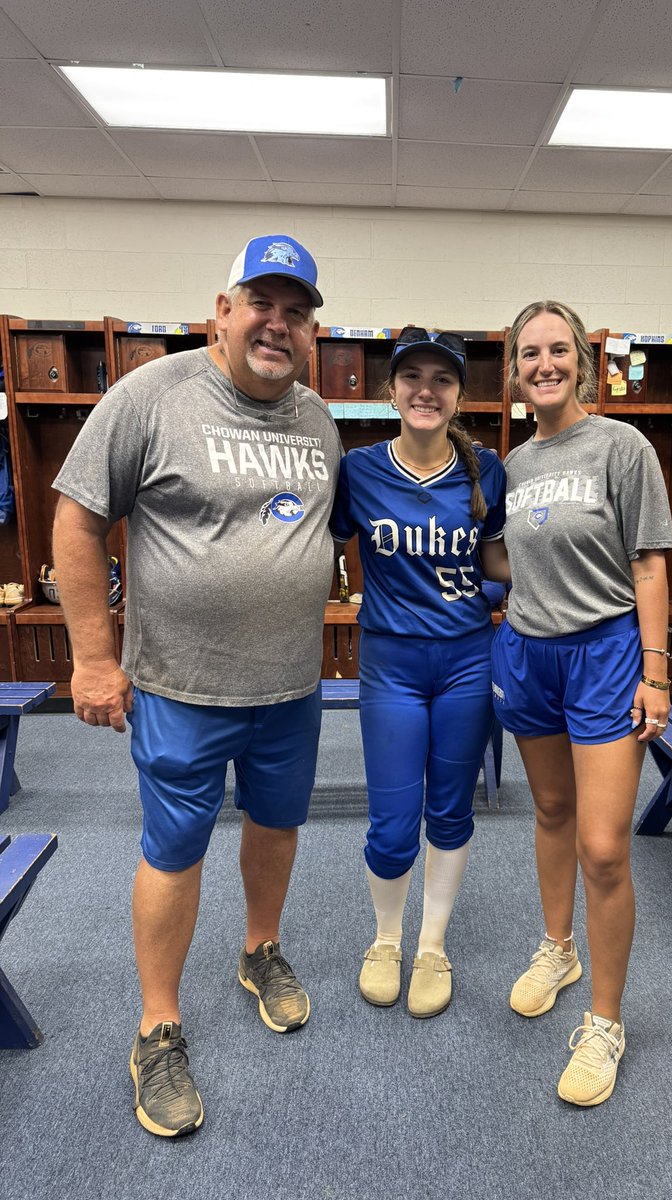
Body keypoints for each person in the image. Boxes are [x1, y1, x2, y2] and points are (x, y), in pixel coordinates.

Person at [51, 235, 342, 1138]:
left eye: (297, 313)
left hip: (290, 688)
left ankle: (262, 951)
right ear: (222, 309)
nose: (278, 325)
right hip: (181, 687)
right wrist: (95, 659)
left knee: (277, 827)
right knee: (173, 849)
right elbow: (76, 519)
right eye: (262, 303)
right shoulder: (153, 395)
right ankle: (158, 1026)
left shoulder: (318, 420)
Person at [491, 301, 672, 1107]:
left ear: (583, 362)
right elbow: (505, 558)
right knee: (553, 811)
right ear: (515, 371)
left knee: (604, 847)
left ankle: (605, 1021)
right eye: (529, 353)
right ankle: (556, 948)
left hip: (605, 655)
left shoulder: (621, 447)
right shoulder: (515, 463)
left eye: (558, 350)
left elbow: (649, 565)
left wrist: (657, 672)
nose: (544, 364)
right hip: (528, 653)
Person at [330, 327, 506, 1018]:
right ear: (392, 389)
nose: (425, 391)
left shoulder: (486, 469)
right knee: (394, 821)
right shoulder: (361, 469)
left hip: (466, 660)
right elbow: (320, 541)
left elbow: (498, 563)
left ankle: (432, 943)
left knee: (450, 810)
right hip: (392, 664)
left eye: (442, 379)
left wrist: (513, 589)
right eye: (412, 378)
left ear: (459, 394)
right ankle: (385, 939)